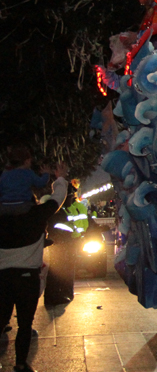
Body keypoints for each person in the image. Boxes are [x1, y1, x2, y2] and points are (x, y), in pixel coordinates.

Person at [0, 153, 68, 372]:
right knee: (25, 324)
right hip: (27, 279)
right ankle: (21, 364)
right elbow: (57, 198)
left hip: (2, 279)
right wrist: (59, 177)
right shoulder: (36, 215)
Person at [0, 146, 50, 215]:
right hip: (23, 205)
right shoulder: (28, 173)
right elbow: (40, 183)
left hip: (5, 205)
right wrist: (46, 174)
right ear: (26, 161)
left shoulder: (5, 174)